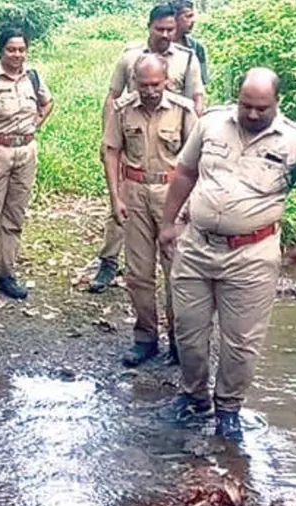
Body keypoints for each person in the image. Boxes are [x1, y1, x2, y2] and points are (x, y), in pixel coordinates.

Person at [159, 67, 296, 441]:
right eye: (246, 105)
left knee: (241, 343)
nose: (251, 114)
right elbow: (185, 172)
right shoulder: (212, 123)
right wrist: (168, 224)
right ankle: (194, 397)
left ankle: (228, 409)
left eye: (260, 108)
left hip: (252, 255)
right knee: (189, 333)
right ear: (237, 97)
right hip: (196, 246)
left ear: (277, 103)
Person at [88, 2, 205, 294]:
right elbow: (113, 96)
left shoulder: (187, 59)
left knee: (173, 246)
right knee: (122, 206)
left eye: (170, 29)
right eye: (160, 29)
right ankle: (109, 261)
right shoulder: (130, 57)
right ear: (149, 28)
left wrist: (195, 131)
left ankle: (179, 327)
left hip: (171, 141)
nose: (166, 34)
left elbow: (197, 97)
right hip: (134, 133)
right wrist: (108, 139)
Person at [103, 54, 197, 368]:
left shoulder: (184, 111)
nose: (150, 91)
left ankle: (178, 341)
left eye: (156, 84)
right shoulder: (123, 109)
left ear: (167, 80)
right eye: (144, 85)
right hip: (135, 193)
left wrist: (190, 205)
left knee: (177, 272)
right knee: (138, 273)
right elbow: (112, 152)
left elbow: (197, 162)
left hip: (173, 195)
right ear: (135, 83)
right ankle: (145, 339)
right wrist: (115, 197)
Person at [0, 27, 54, 309]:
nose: (17, 55)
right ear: (1, 51)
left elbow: (48, 102)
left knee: (15, 216)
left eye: (21, 49)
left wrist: (34, 125)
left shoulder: (33, 76)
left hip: (25, 152)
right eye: (11, 49)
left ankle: (6, 274)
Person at [172, 0, 209, 87]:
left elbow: (201, 84)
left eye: (193, 16)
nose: (193, 21)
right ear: (175, 18)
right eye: (188, 16)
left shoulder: (197, 48)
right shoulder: (161, 45)